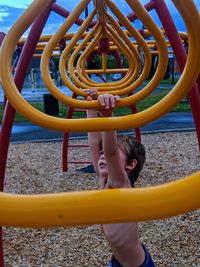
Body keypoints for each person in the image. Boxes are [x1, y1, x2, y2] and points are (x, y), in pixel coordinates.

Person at [86, 89, 155, 267]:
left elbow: (110, 152)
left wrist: (108, 114)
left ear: (130, 165)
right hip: (118, 261)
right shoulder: (104, 179)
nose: (102, 156)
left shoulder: (121, 184)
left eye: (114, 155)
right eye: (100, 154)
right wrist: (90, 103)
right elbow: (95, 141)